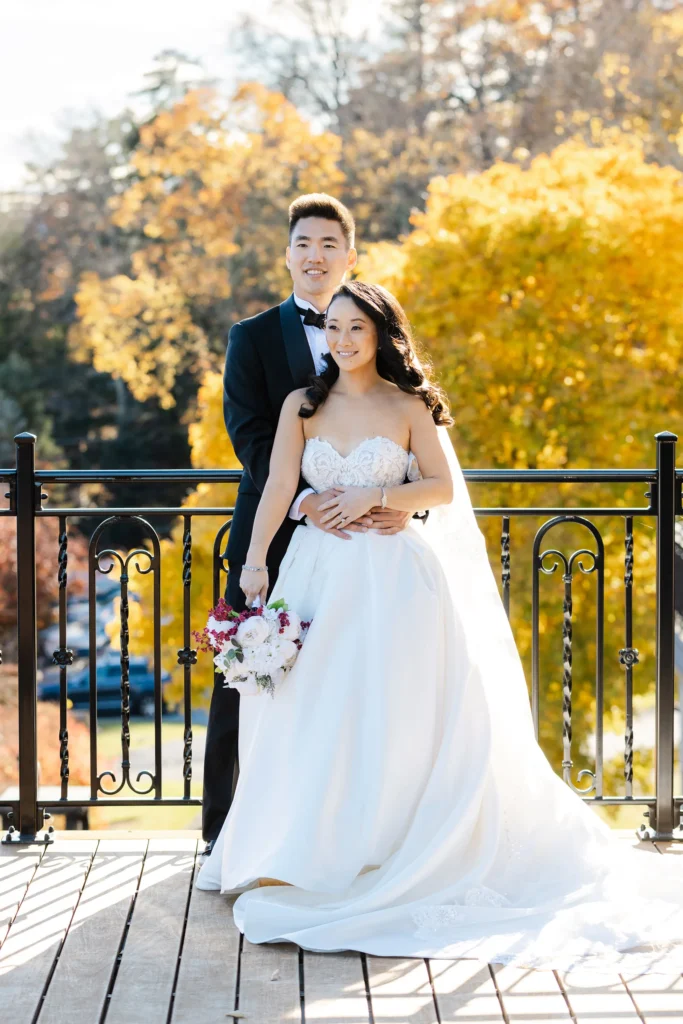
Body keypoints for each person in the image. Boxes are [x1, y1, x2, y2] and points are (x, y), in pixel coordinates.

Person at [196, 280, 683, 973]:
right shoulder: (300, 404)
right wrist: (252, 565)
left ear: (380, 333)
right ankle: (300, 851)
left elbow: (441, 488)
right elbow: (276, 484)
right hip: (314, 578)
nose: (340, 340)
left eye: (354, 328)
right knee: (311, 712)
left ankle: (391, 846)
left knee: (396, 714)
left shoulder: (408, 405)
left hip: (394, 582)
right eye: (332, 328)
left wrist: (378, 494)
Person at [202, 194, 417, 857]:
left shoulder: (373, 329)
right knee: (247, 672)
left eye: (328, 244)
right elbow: (250, 435)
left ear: (348, 255)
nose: (314, 256)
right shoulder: (252, 337)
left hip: (368, 538)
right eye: (303, 243)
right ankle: (223, 829)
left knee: (355, 675)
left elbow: (404, 425)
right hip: (275, 526)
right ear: (287, 253)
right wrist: (305, 499)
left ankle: (344, 825)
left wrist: (377, 494)